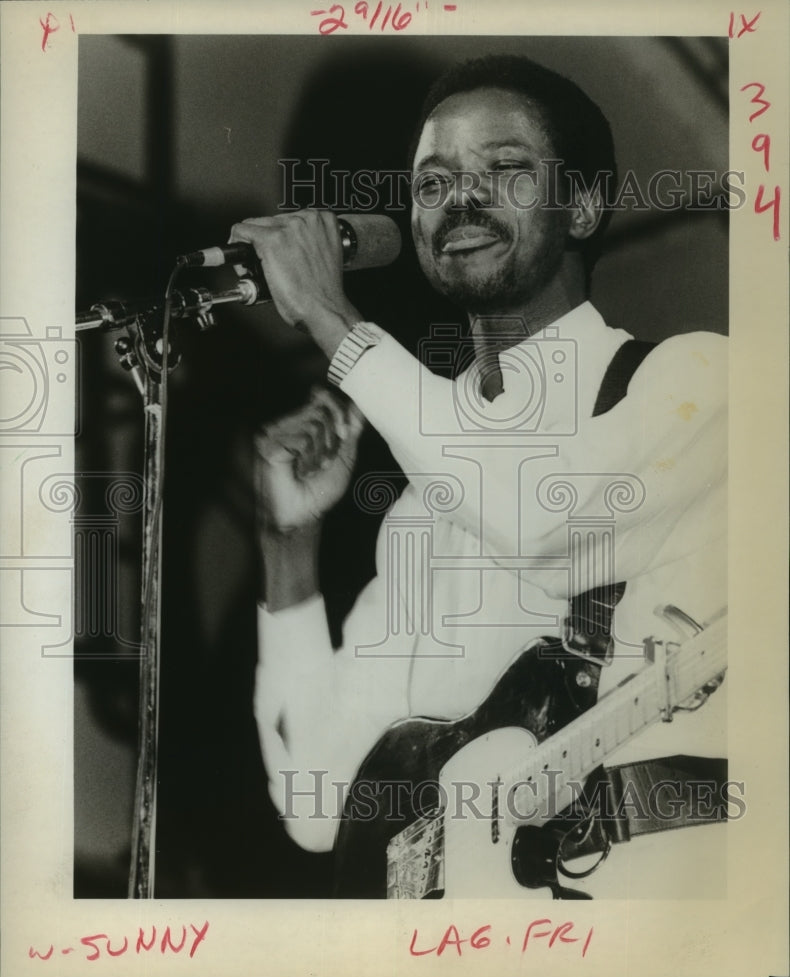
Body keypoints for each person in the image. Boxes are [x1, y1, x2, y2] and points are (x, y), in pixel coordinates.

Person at [230, 55, 728, 897]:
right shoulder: (424, 514)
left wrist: (333, 320)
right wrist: (289, 549)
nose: (460, 199)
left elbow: (536, 517)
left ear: (585, 205)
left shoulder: (694, 382)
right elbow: (317, 801)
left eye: (505, 170)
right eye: (432, 183)